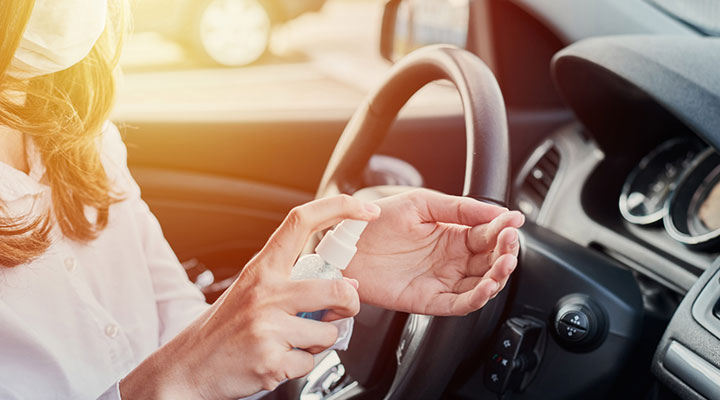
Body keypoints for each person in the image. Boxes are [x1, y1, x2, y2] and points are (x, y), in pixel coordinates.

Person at [0, 1, 524, 399]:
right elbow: (192, 365)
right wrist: (174, 380)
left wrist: (328, 269)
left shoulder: (76, 134)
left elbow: (187, 331)